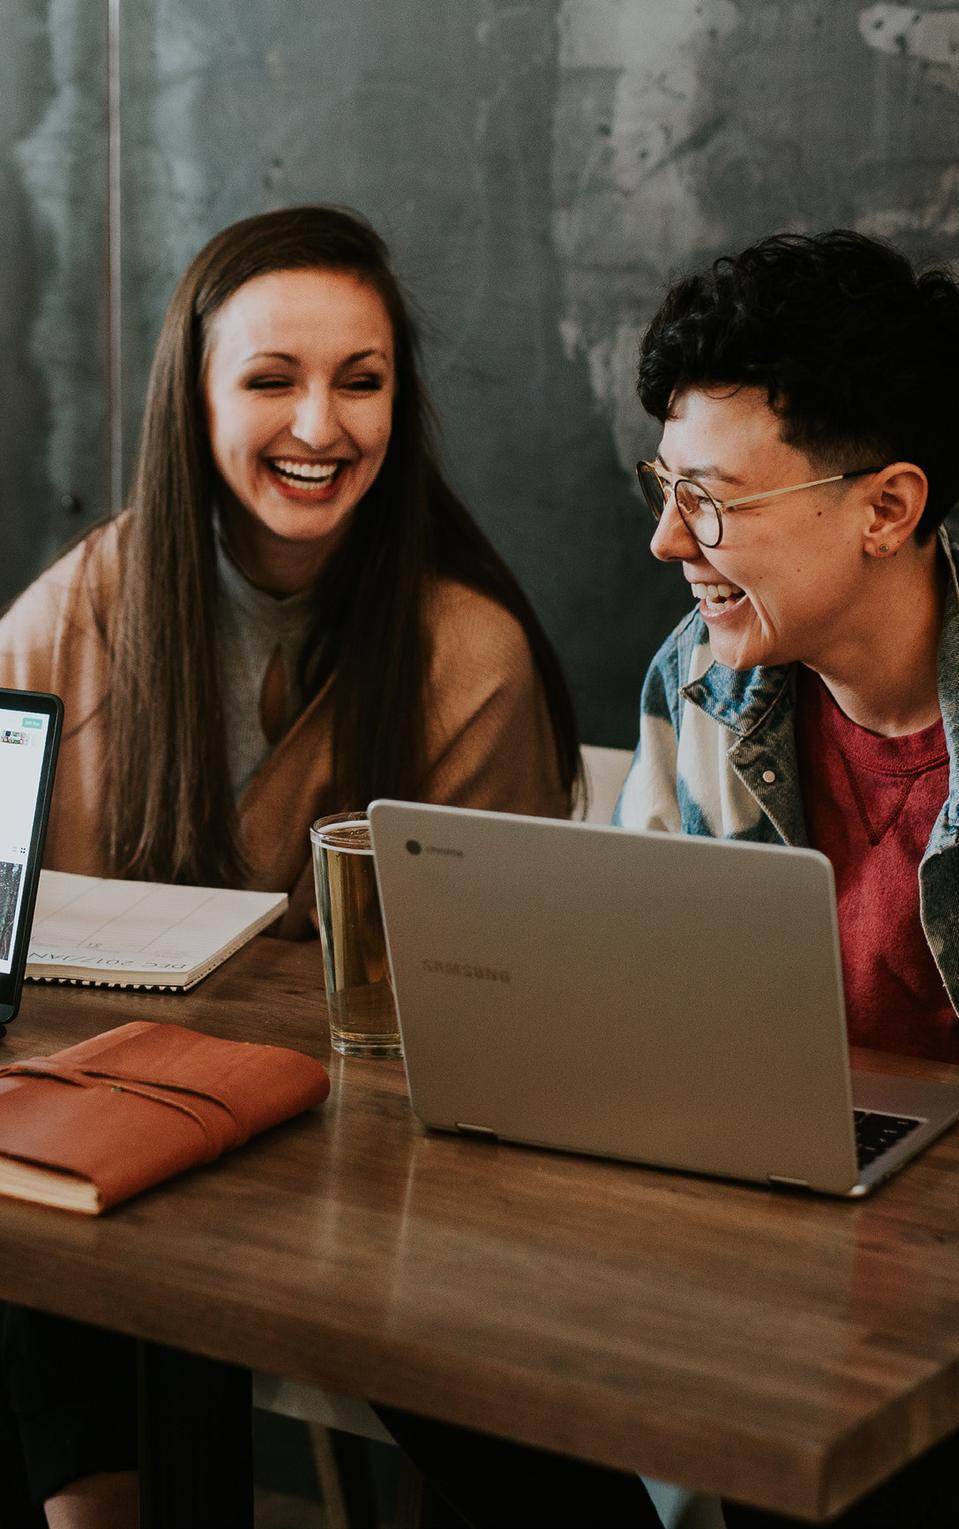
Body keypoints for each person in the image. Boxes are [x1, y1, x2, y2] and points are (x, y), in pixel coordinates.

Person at [0, 203, 581, 1529]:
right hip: (106, 1150)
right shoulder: (72, 612)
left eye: (360, 382)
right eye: (272, 379)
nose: (321, 426)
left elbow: (497, 1022)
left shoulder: (464, 654)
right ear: (193, 400)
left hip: (367, 1191)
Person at [618, 229, 959, 1525]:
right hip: (755, 1247)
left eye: (716, 500)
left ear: (888, 508)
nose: (669, 541)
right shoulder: (697, 683)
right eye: (664, 487)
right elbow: (640, 1010)